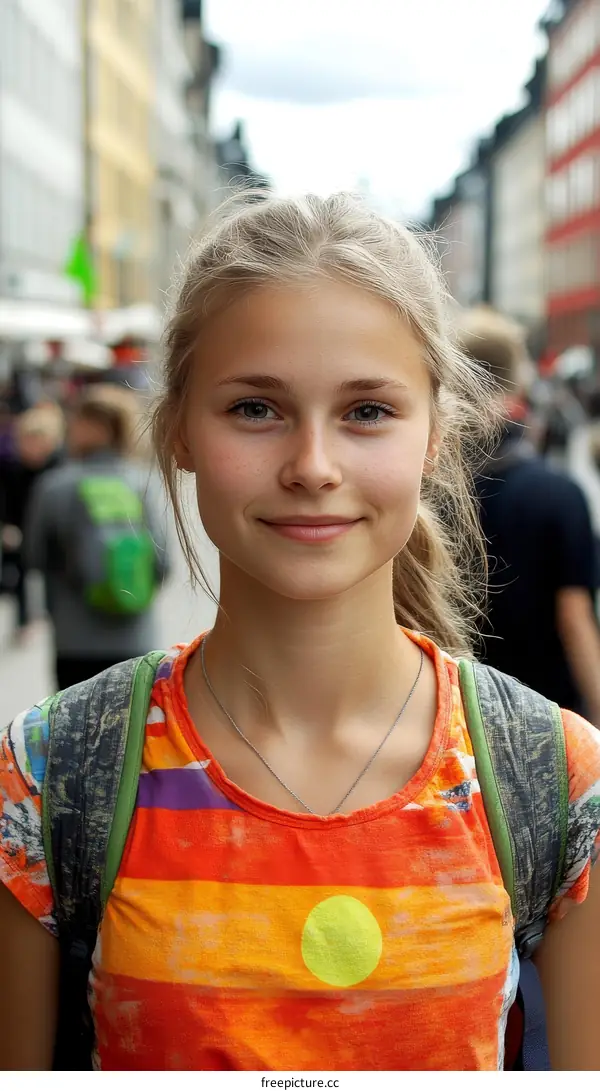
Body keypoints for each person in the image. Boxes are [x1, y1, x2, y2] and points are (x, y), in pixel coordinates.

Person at [1, 193, 599, 1072]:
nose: (312, 466)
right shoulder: (51, 775)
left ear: (436, 433)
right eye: (255, 408)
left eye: (367, 412)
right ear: (177, 432)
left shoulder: (556, 776)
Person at [460, 308, 600, 724]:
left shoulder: (426, 492)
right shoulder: (557, 493)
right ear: (518, 380)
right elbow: (575, 621)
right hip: (547, 722)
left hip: (457, 720)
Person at [23, 384, 170, 689]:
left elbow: (33, 557)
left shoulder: (54, 485)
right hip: (135, 639)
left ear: (91, 426)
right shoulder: (143, 482)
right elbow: (163, 563)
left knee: (74, 733)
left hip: (73, 638)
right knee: (132, 733)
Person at [0, 405, 65, 640]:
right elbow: (7, 501)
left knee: (52, 571)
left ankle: (50, 612)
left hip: (51, 529)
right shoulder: (12, 467)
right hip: (22, 527)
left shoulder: (59, 467)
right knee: (19, 571)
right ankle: (24, 621)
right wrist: (7, 526)